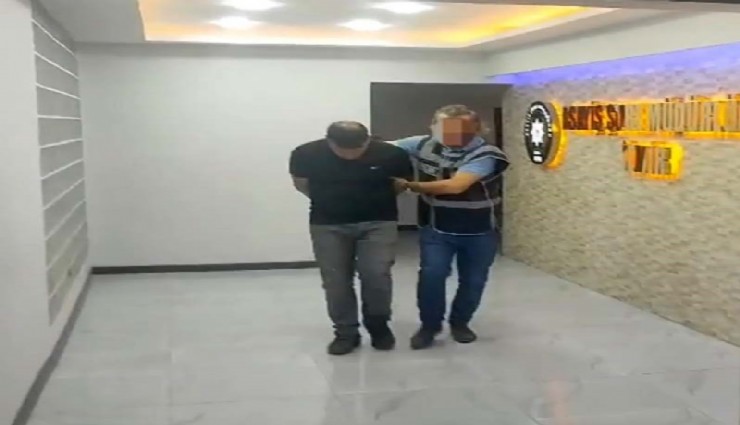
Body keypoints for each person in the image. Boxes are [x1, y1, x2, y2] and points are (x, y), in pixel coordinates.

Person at [289, 121, 413, 355]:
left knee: (377, 275)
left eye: (358, 149)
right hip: (328, 224)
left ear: (368, 140)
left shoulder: (392, 154)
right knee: (335, 281)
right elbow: (302, 185)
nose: (351, 155)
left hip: (378, 222)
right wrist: (332, 202)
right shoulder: (305, 153)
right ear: (329, 142)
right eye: (343, 150)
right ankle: (345, 332)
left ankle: (379, 326)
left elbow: (400, 185)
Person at [393, 105, 509, 350]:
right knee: (431, 277)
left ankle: (460, 323)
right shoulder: (421, 144)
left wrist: (408, 185)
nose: (454, 134)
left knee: (473, 280)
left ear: (477, 128)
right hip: (436, 229)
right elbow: (382, 150)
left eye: (462, 128)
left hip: (479, 231)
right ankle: (429, 326)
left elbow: (455, 186)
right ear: (433, 126)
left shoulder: (487, 153)